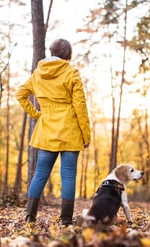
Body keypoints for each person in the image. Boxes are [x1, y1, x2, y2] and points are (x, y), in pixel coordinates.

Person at [16, 38, 91, 226]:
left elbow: (21, 95)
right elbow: (80, 106)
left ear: (52, 51)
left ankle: (29, 217)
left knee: (40, 174)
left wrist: (37, 114)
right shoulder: (71, 72)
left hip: (47, 129)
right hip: (70, 130)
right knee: (68, 176)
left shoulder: (38, 73)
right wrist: (86, 134)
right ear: (68, 54)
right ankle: (65, 220)